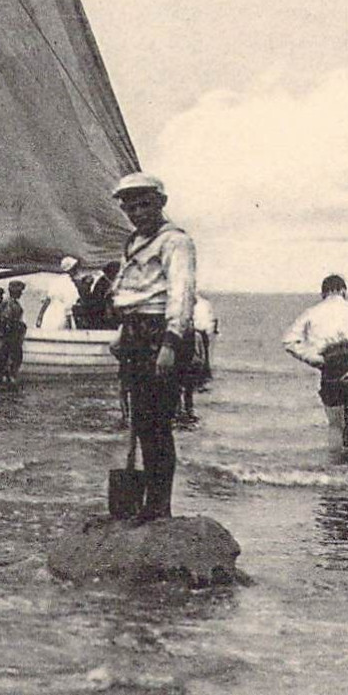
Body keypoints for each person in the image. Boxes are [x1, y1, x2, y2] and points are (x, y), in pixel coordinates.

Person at [109, 172, 196, 522]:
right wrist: (122, 333)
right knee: (140, 419)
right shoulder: (133, 242)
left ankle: (158, 506)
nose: (137, 211)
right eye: (130, 206)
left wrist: (171, 343)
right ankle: (145, 501)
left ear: (160, 203)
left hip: (159, 331)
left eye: (144, 204)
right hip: (135, 331)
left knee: (157, 423)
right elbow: (130, 288)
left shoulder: (175, 242)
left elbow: (181, 293)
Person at [283, 274, 348, 449]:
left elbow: (289, 341)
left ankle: (335, 471)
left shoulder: (311, 312)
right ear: (343, 290)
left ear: (323, 293)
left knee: (336, 424)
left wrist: (315, 360)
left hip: (331, 363)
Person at [178, 294, 219, 422]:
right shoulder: (204, 305)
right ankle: (186, 410)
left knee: (183, 389)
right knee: (186, 390)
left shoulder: (191, 331)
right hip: (190, 362)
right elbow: (201, 354)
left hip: (188, 362)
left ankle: (183, 410)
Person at [33, 256, 84, 330]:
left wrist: (40, 317)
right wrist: (70, 327)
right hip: (61, 316)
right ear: (71, 270)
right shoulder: (70, 285)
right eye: (75, 268)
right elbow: (68, 309)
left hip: (49, 314)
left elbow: (48, 300)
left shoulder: (57, 281)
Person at [0, 280, 29, 382]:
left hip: (12, 335)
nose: (21, 293)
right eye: (20, 291)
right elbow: (7, 319)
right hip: (13, 335)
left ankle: (8, 375)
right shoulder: (10, 304)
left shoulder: (9, 303)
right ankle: (10, 376)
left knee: (10, 356)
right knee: (14, 355)